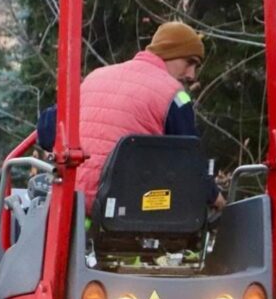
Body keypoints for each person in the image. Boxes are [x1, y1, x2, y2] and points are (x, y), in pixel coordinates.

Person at [37, 21, 225, 211]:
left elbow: (46, 130)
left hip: (72, 203)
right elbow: (189, 163)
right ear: (170, 53)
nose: (192, 74)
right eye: (190, 62)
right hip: (126, 212)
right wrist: (216, 198)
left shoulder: (95, 77)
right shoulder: (176, 96)